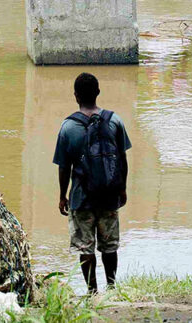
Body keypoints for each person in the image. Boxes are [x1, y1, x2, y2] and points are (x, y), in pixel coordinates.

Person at [53, 73, 131, 295]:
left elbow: (63, 167)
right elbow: (123, 160)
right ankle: (112, 287)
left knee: (85, 247)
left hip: (81, 198)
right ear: (98, 92)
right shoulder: (115, 121)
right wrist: (122, 188)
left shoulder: (68, 127)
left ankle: (91, 291)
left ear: (75, 95)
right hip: (109, 196)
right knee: (109, 245)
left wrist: (62, 196)